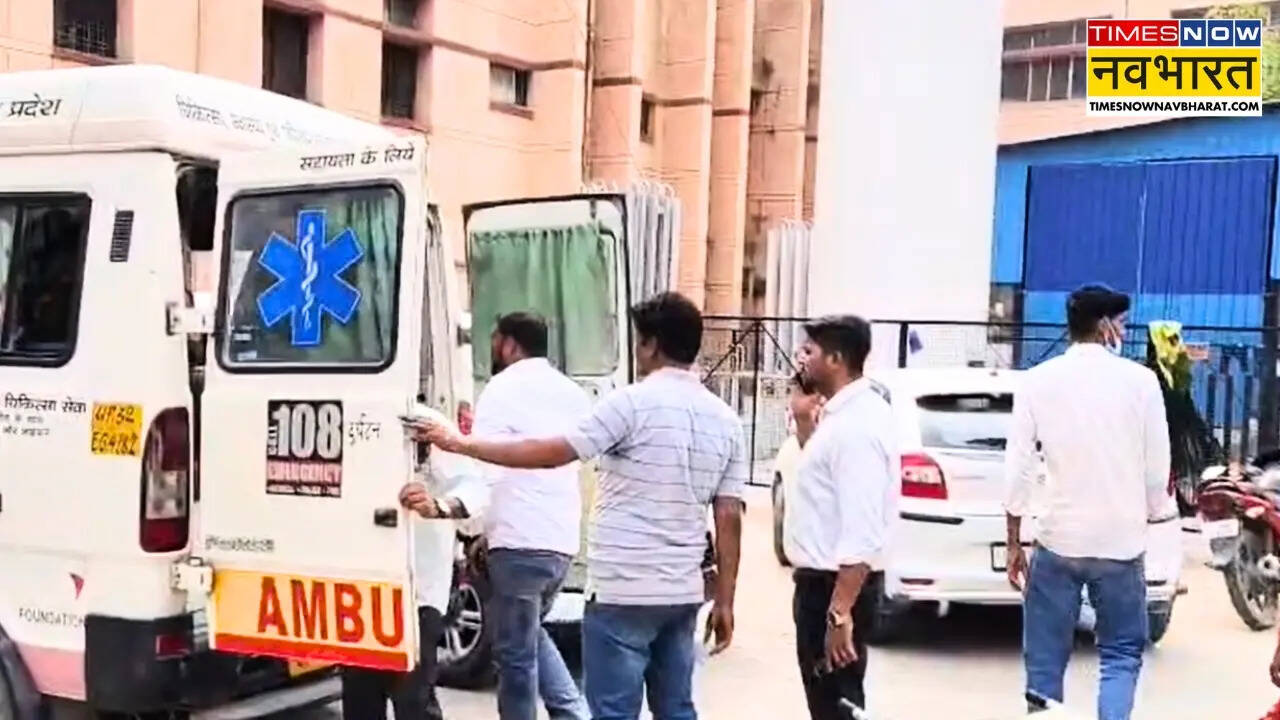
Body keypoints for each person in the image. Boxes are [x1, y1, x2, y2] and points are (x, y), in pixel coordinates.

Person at [408, 292, 746, 720]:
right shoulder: (725, 420)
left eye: (639, 341)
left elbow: (553, 453)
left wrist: (462, 444)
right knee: (676, 707)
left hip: (623, 590)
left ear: (651, 345)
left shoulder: (630, 405)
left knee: (610, 708)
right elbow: (729, 516)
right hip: (681, 593)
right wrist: (726, 600)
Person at [1004, 284, 1175, 720]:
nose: (1124, 332)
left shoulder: (1037, 381)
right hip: (1120, 543)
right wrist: (1147, 515)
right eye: (1121, 323)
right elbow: (1157, 466)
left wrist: (1014, 541)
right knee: (1121, 654)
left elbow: (1018, 465)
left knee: (1044, 660)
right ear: (1103, 326)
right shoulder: (1142, 382)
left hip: (1058, 539)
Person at [471, 311, 591, 720]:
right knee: (529, 635)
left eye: (494, 340)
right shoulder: (572, 393)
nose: (492, 349)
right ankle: (572, 713)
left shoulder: (500, 389)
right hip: (560, 542)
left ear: (509, 345)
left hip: (518, 541)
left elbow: (485, 466)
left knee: (516, 659)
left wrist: (474, 525)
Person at [784, 316, 897, 720]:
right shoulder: (841, 416)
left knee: (837, 705)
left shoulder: (856, 426)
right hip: (825, 584)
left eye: (809, 351)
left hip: (833, 588)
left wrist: (839, 613)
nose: (801, 359)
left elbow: (862, 528)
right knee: (829, 703)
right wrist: (802, 419)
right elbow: (826, 482)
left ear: (835, 359)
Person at [343, 404, 488, 720]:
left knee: (413, 699)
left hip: (416, 589)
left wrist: (438, 506)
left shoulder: (420, 422)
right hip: (354, 588)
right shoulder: (338, 411)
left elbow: (474, 487)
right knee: (359, 698)